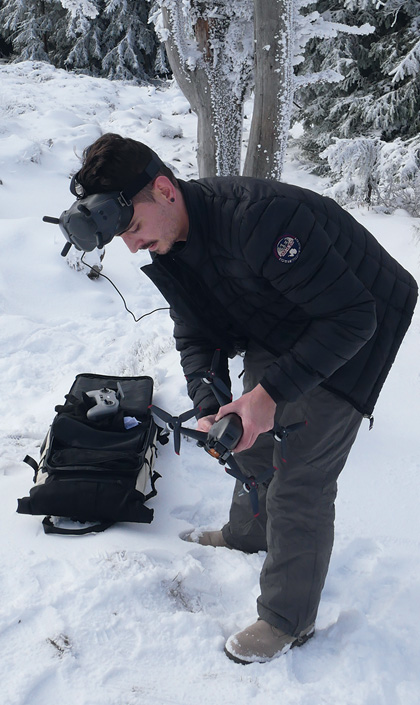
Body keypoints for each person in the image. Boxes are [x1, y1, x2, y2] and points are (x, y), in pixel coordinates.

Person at [72, 132, 418, 664]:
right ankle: (246, 534)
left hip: (357, 325)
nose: (134, 245)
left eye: (135, 228)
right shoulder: (171, 244)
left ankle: (287, 618)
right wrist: (210, 394)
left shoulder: (259, 220)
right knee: (248, 438)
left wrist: (272, 393)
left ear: (165, 190)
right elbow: (196, 330)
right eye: (125, 239)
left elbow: (352, 317)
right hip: (281, 319)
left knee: (299, 477)